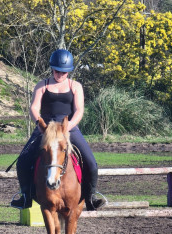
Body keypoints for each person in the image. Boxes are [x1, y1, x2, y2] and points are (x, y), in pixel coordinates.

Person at [10, 49, 107, 211]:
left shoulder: (75, 86)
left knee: (91, 163)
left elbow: (79, 111)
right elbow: (34, 107)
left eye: (64, 72)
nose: (60, 74)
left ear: (69, 71)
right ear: (52, 69)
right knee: (23, 161)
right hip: (45, 129)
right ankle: (25, 197)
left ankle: (90, 197)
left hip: (68, 128)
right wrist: (40, 124)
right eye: (57, 71)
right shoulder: (42, 85)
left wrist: (66, 127)